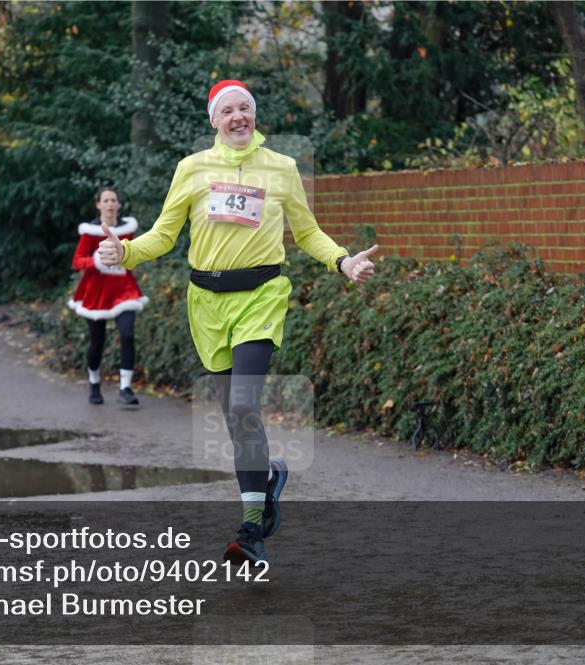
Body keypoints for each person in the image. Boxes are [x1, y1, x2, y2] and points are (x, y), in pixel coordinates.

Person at [97, 80, 377, 564]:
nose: (238, 116)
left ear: (254, 115)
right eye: (227, 110)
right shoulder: (192, 169)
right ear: (214, 121)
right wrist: (123, 251)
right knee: (234, 416)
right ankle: (266, 482)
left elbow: (307, 233)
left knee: (244, 403)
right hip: (207, 303)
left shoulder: (282, 168)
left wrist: (343, 261)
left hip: (262, 297)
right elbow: (163, 237)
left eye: (244, 107)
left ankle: (250, 534)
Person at [68, 187, 148, 406]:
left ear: (119, 205)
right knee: (97, 341)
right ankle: (94, 383)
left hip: (124, 289)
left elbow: (135, 254)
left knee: (128, 334)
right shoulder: (90, 231)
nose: (111, 204)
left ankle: (125, 388)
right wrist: (95, 260)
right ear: (98, 205)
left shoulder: (127, 229)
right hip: (97, 292)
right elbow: (77, 261)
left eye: (114, 200)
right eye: (106, 200)